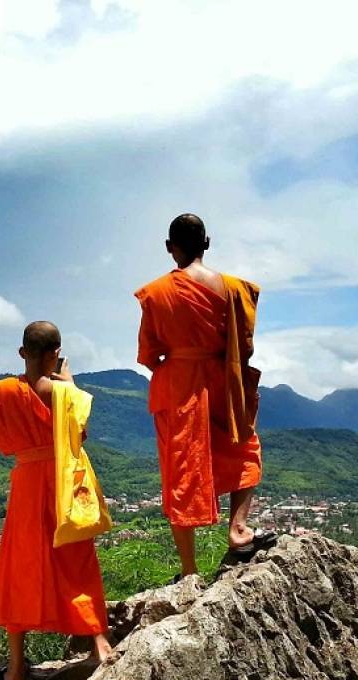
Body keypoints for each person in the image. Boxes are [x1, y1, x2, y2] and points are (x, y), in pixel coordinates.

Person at [134, 213, 274, 578]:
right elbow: (245, 345)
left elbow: (149, 354)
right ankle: (239, 529)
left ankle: (189, 569)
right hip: (224, 381)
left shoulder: (156, 294)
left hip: (178, 387)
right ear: (207, 243)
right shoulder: (235, 289)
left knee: (181, 471)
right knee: (242, 447)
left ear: (169, 247)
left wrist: (181, 362)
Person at [0, 321, 113, 680]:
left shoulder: (4, 390)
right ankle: (100, 645)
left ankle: (15, 669)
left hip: (27, 482)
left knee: (21, 564)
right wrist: (69, 384)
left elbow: (3, 441)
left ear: (22, 352)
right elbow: (81, 435)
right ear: (56, 354)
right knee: (76, 559)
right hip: (63, 481)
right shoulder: (64, 394)